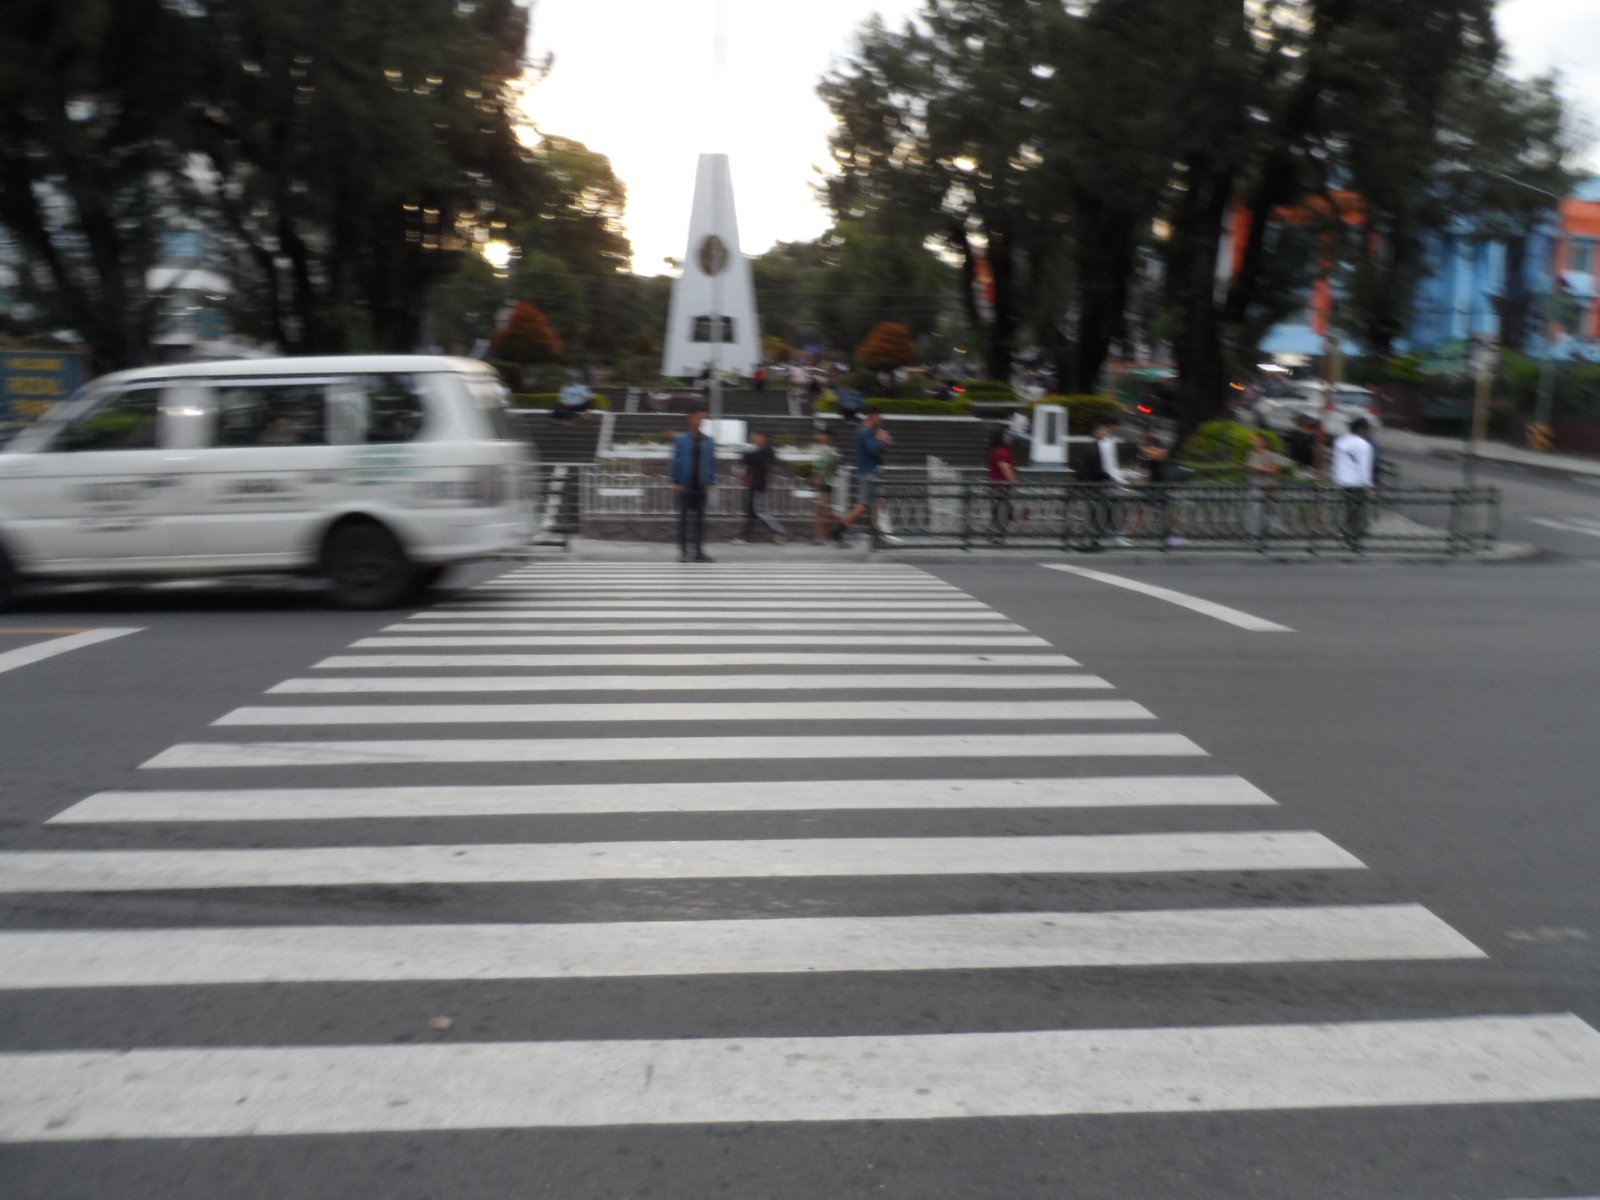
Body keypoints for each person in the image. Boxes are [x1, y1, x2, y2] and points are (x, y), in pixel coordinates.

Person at [831, 406, 893, 543]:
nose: (881, 421)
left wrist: (882, 440)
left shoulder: (867, 432)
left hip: (870, 472)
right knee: (865, 505)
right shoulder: (865, 432)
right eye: (879, 417)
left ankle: (875, 533)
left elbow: (877, 450)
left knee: (878, 503)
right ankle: (840, 529)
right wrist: (881, 439)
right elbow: (872, 449)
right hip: (869, 473)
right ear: (873, 416)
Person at [1073, 418, 1131, 546]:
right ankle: (1111, 534)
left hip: (1094, 483)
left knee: (1102, 508)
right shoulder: (1097, 447)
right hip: (1097, 484)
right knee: (1112, 505)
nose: (1104, 432)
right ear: (1096, 432)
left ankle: (1102, 535)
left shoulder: (1096, 446)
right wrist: (1110, 478)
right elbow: (1099, 468)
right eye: (1102, 430)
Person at [670, 406, 717, 562]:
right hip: (685, 485)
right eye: (697, 418)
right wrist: (676, 481)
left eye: (702, 419)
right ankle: (683, 552)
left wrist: (710, 481)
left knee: (700, 521)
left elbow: (712, 463)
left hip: (701, 486)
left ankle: (698, 551)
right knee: (683, 521)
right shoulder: (682, 439)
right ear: (690, 420)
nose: (700, 421)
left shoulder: (709, 441)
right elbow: (675, 461)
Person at [732, 430, 789, 544]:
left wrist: (744, 454)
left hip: (758, 485)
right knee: (752, 512)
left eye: (757, 437)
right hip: (755, 484)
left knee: (759, 511)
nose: (754, 439)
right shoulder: (763, 450)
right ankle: (745, 536)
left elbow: (749, 458)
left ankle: (781, 532)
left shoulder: (765, 451)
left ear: (763, 438)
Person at [1331, 416, 1376, 549]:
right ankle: (1354, 539)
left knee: (1348, 509)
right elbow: (1364, 468)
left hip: (1342, 480)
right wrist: (1369, 486)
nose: (1369, 432)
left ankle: (1345, 533)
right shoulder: (1363, 445)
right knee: (1357, 511)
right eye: (1368, 429)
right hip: (1357, 483)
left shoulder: (1340, 441)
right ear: (1361, 429)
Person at [1244, 431, 1289, 538]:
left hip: (1269, 486)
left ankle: (1275, 530)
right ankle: (1255, 533)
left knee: (1270, 511)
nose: (1255, 443)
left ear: (1264, 443)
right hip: (1255, 485)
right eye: (1254, 441)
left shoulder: (1271, 455)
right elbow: (1247, 466)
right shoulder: (1252, 455)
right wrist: (1252, 467)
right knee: (1255, 510)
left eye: (1257, 441)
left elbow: (1275, 469)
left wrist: (1258, 467)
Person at [808, 428, 841, 544]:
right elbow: (817, 467)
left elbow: (831, 470)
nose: (818, 437)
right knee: (826, 512)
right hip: (822, 485)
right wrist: (814, 478)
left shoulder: (831, 452)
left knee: (819, 513)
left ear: (828, 437)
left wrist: (821, 479)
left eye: (821, 435)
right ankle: (847, 524)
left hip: (826, 486)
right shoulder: (821, 450)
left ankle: (820, 538)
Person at [986, 428, 1020, 540]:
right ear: (1001, 438)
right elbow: (1005, 468)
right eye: (1007, 435)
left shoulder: (996, 451)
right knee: (1002, 512)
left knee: (999, 511)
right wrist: (1013, 482)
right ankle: (996, 535)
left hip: (995, 486)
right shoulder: (1002, 452)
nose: (1010, 437)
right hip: (1001, 487)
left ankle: (993, 534)